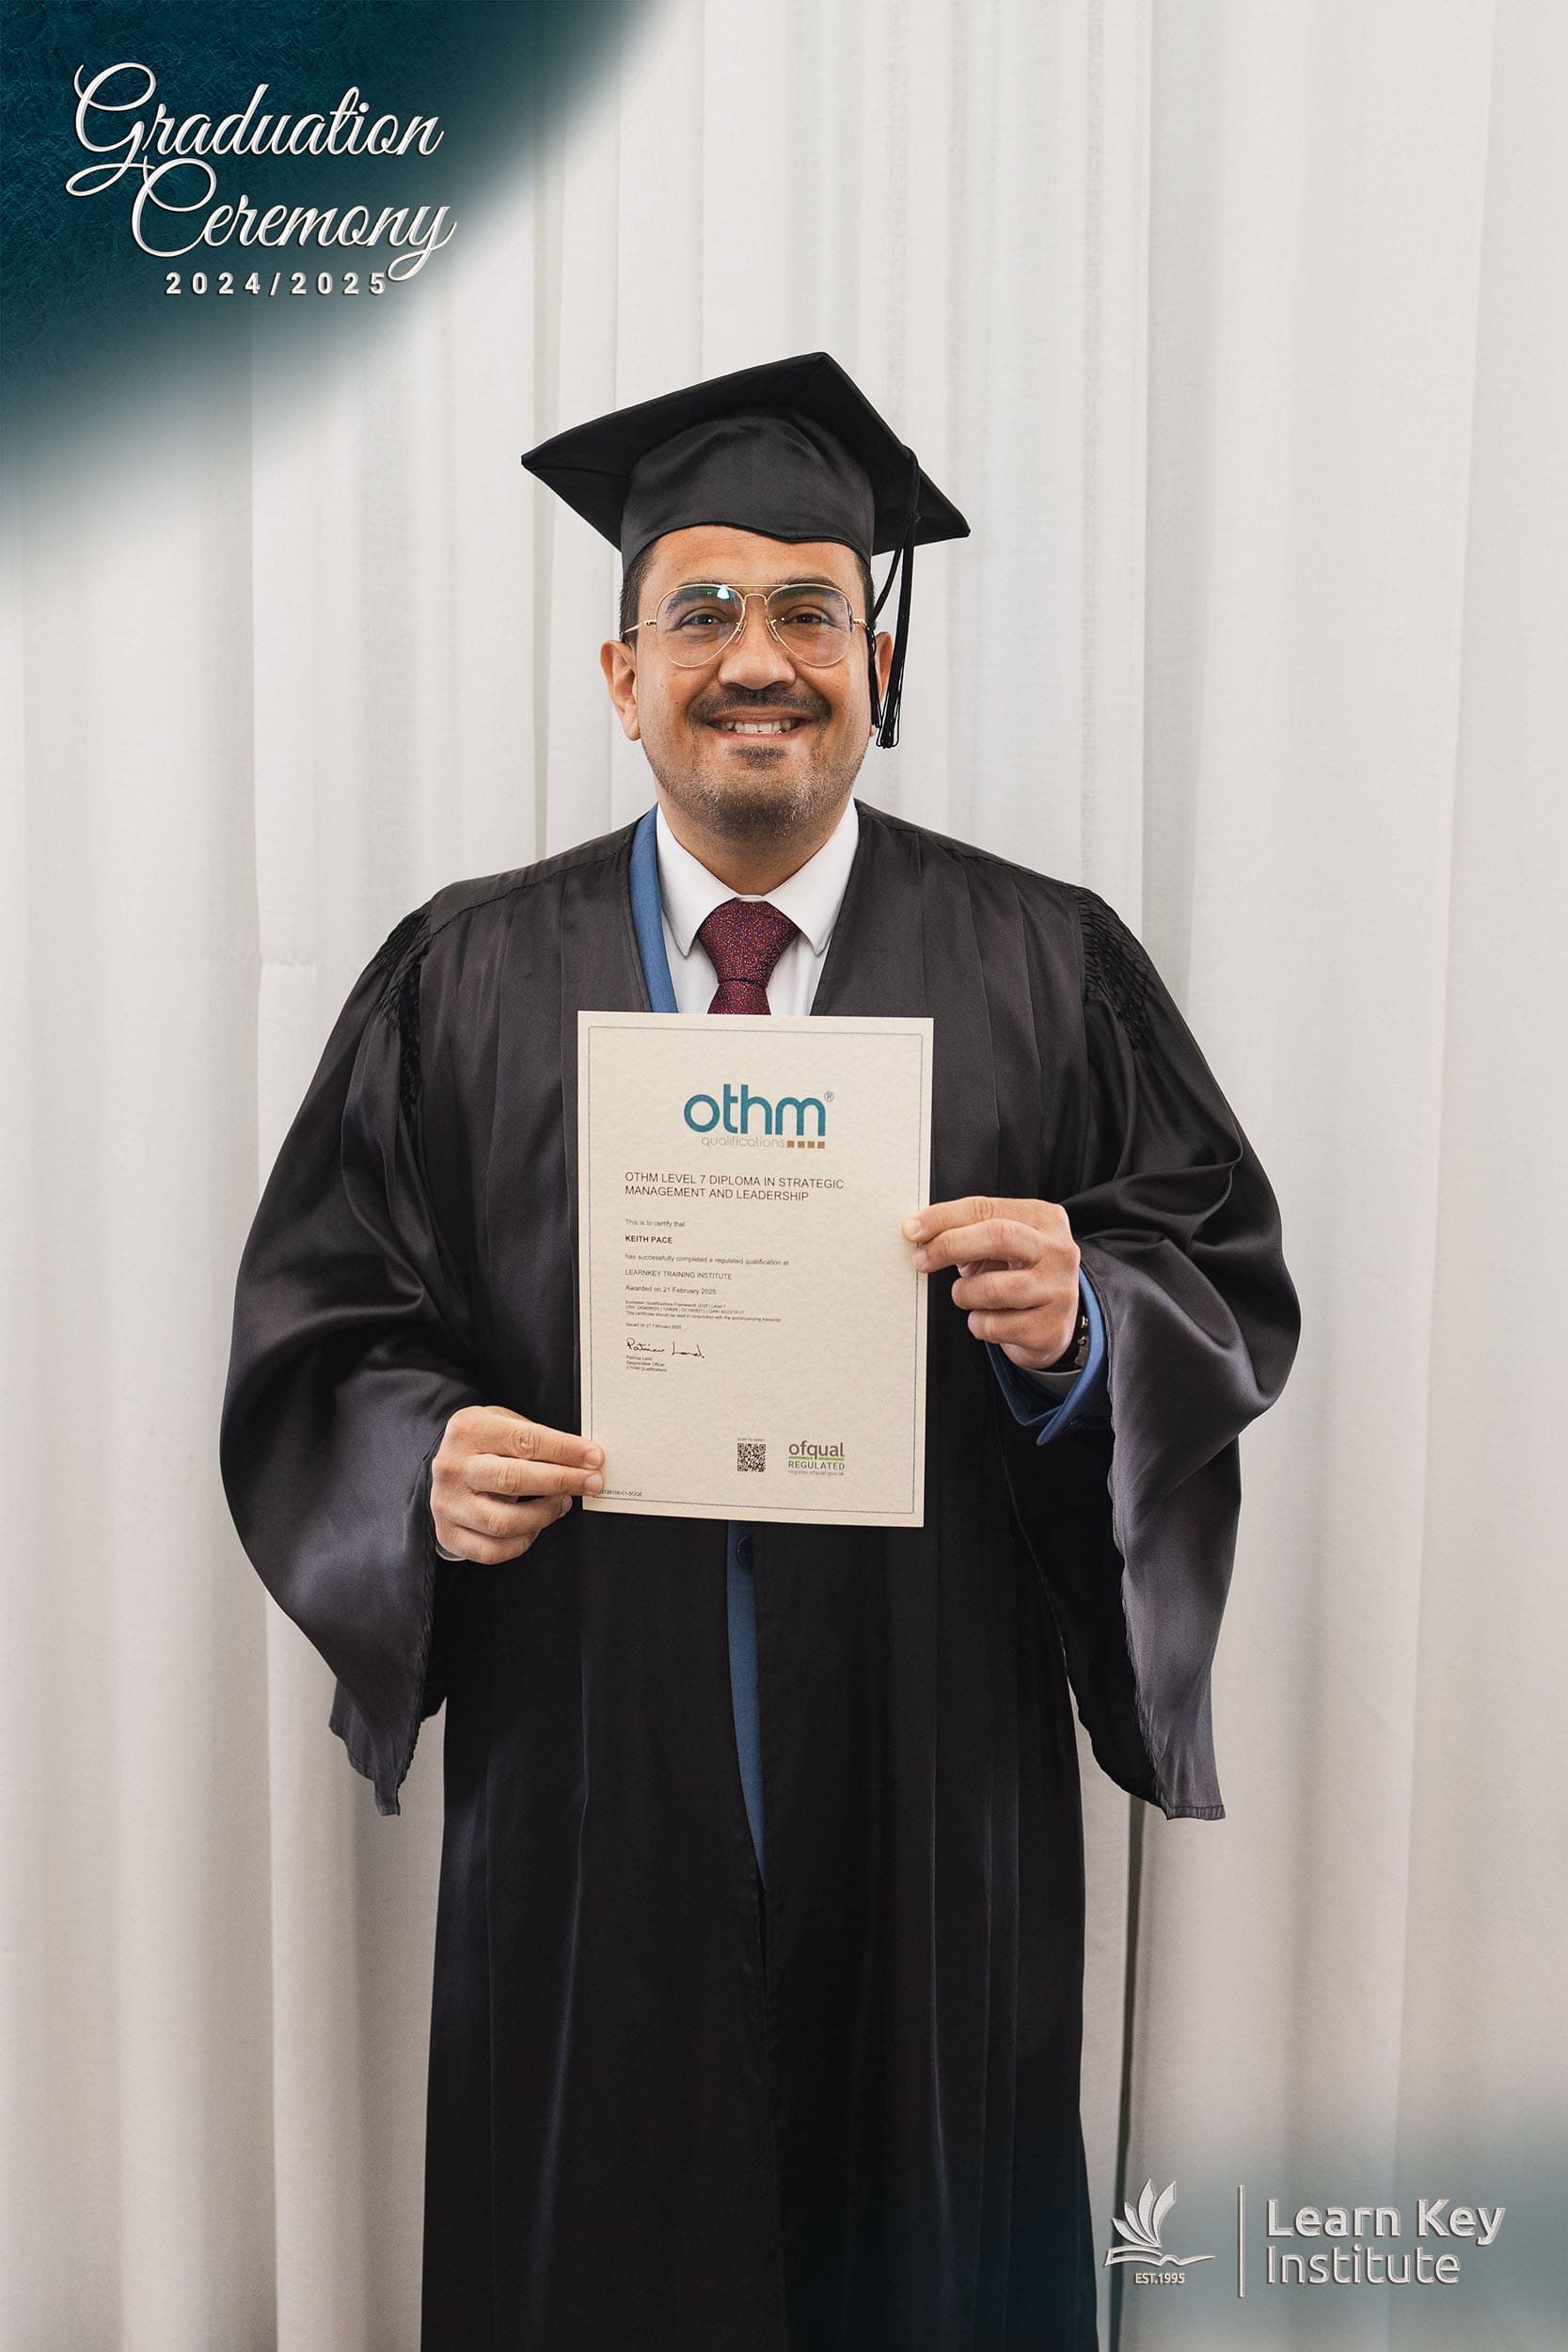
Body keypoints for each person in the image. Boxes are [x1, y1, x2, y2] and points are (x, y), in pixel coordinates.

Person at [221, 351, 1299, 2352]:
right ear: (620, 673)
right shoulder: (463, 977)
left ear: (875, 661)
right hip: (589, 1775)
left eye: (811, 608)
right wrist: (417, 1459)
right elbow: (326, 1326)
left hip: (928, 1770)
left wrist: (1087, 1324)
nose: (757, 657)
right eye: (701, 608)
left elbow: (1218, 1270)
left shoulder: (1047, 963)